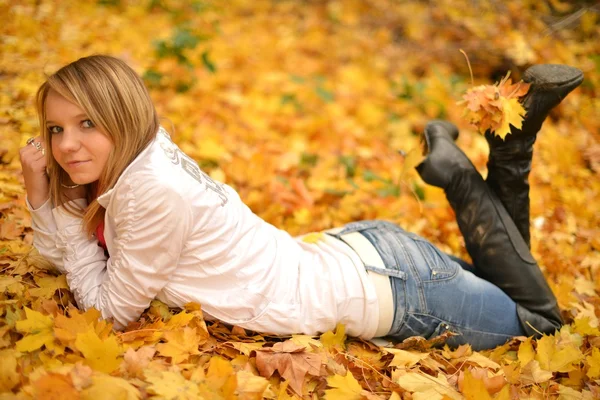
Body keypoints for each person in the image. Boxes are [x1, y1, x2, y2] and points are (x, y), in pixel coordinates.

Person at [20, 55, 583, 350]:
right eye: (55, 129)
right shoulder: (134, 163)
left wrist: (53, 210)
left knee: (541, 323)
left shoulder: (153, 192)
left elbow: (107, 313)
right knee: (512, 286)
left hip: (394, 288)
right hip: (371, 263)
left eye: (86, 124)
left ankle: (463, 171)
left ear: (121, 116)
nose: (66, 145)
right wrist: (42, 192)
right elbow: (59, 261)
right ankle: (509, 139)